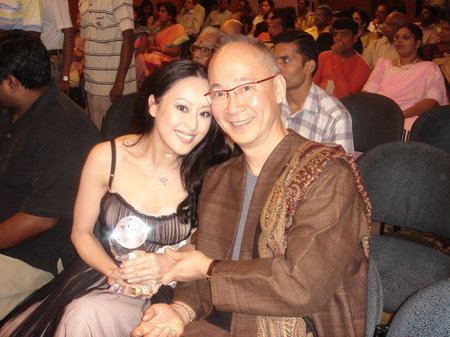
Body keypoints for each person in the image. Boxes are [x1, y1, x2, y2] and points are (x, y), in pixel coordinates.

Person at [131, 35, 371, 337]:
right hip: (216, 323)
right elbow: (200, 270)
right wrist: (180, 311)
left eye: (246, 88)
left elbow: (300, 287)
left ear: (279, 88)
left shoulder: (326, 175)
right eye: (218, 94)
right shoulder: (221, 177)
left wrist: (209, 268)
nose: (233, 106)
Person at [0, 60, 231, 337]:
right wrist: (114, 273)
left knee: (87, 314)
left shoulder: (212, 170)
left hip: (171, 289)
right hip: (103, 272)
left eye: (205, 114)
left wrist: (168, 262)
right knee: (80, 314)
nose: (192, 124)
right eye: (182, 107)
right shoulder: (106, 157)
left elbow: (209, 244)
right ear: (154, 105)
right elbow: (82, 233)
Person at [0, 30, 99, 321]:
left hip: (36, 255)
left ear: (12, 83)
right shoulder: (15, 109)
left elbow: (41, 219)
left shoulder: (63, 129)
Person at [273, 30, 354, 153]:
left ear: (309, 66)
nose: (276, 68)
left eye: (285, 60)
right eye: (275, 61)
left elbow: (340, 171)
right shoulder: (268, 101)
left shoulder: (334, 117)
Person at [363, 23, 448, 139]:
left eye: (405, 37)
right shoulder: (383, 64)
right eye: (396, 37)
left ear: (417, 43)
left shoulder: (429, 67)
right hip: (379, 115)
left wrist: (399, 116)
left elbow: (432, 100)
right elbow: (367, 94)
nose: (399, 41)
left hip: (409, 119)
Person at [79, 0, 136, 130]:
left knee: (112, 134)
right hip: (91, 81)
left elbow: (128, 38)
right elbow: (85, 38)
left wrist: (119, 82)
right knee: (96, 130)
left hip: (111, 84)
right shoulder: (83, 2)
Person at [313, 17, 370, 99]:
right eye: (336, 34)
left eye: (344, 34)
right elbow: (313, 86)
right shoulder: (324, 56)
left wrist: (336, 57)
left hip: (342, 108)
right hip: (319, 103)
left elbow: (346, 97)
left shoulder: (362, 65)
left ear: (355, 38)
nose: (338, 38)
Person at [144, 2, 189, 76]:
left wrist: (155, 49)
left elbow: (175, 52)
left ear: (170, 16)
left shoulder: (178, 28)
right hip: (157, 56)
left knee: (145, 59)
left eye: (163, 11)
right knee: (140, 58)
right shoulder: (159, 28)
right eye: (159, 11)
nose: (159, 13)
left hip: (170, 60)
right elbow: (151, 43)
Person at [39, 0, 74, 93]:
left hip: (54, 60)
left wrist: (65, 77)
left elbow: (69, 33)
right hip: (42, 59)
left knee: (55, 104)